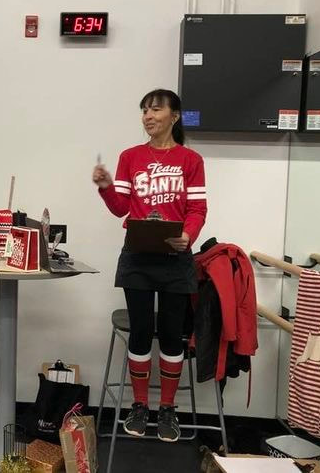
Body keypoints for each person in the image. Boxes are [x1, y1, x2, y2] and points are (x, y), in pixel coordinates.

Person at [92, 89, 207, 443]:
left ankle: (168, 408)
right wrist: (106, 187)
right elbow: (121, 207)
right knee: (141, 331)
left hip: (176, 259)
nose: (148, 116)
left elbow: (197, 209)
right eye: (144, 110)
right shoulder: (130, 157)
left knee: (172, 334)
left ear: (175, 116)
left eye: (155, 110)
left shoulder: (191, 160)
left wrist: (187, 236)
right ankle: (139, 406)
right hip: (138, 257)